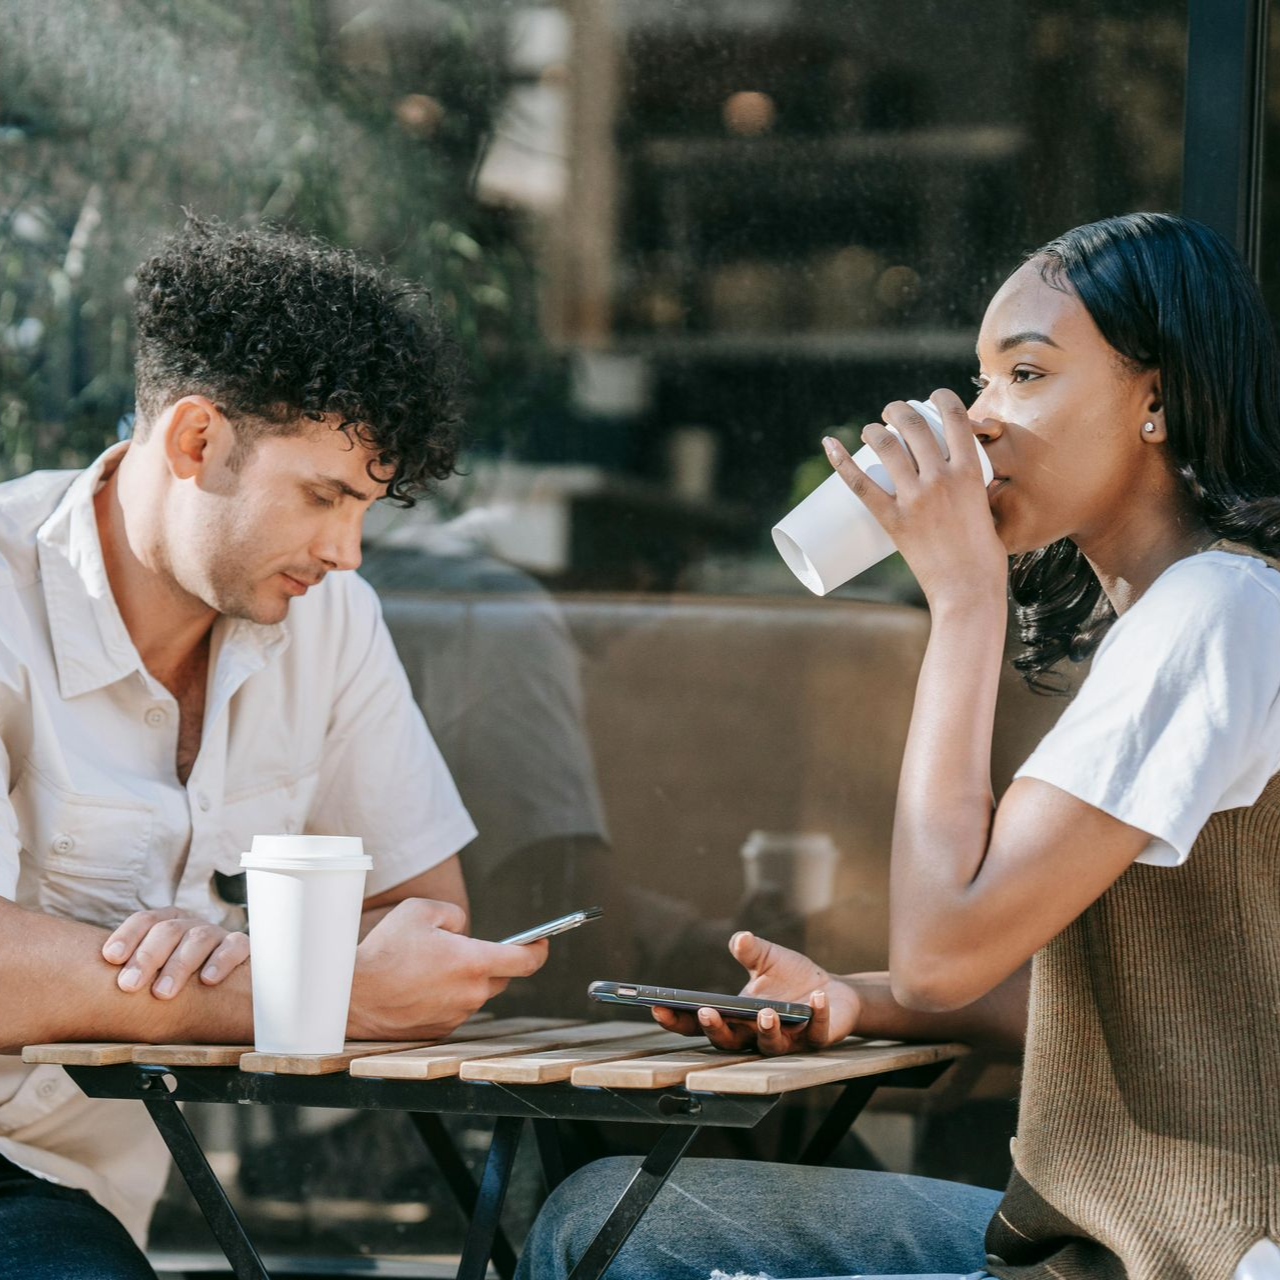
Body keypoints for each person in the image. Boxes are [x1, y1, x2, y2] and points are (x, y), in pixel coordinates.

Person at [518, 212, 1280, 1280]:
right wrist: (853, 1000)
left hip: (1186, 1254)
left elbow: (942, 948)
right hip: (1098, 1238)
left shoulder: (1212, 612)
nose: (981, 419)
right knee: (616, 1214)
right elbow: (1127, 1005)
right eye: (980, 379)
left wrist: (963, 599)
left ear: (1155, 397)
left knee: (604, 1230)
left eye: (1025, 373)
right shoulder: (1201, 611)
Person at [0, 218, 550, 1278]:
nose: (346, 551)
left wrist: (260, 957)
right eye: (323, 496)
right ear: (195, 440)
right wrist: (296, 990)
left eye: (364, 508)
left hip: (104, 1195)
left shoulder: (328, 621)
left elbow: (423, 919)